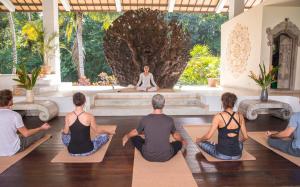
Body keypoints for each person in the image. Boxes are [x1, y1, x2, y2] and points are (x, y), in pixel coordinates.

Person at [122, 94, 185, 162]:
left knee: (134, 138)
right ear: (163, 105)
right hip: (166, 156)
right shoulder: (169, 120)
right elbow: (176, 136)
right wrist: (182, 140)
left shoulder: (145, 119)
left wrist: (126, 136)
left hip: (148, 155)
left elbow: (135, 132)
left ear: (152, 104)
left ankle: (147, 144)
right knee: (178, 143)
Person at [196, 92, 248, 160]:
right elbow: (246, 137)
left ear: (223, 102)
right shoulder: (240, 116)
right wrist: (237, 142)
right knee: (239, 144)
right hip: (237, 155)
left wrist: (199, 139)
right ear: (234, 103)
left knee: (200, 142)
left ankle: (214, 145)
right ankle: (220, 146)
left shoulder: (218, 116)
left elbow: (208, 136)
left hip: (222, 154)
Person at [0, 89, 50, 156]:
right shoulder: (14, 115)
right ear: (9, 101)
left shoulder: (13, 114)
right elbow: (26, 134)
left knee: (16, 134)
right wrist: (41, 128)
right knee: (41, 132)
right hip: (14, 149)